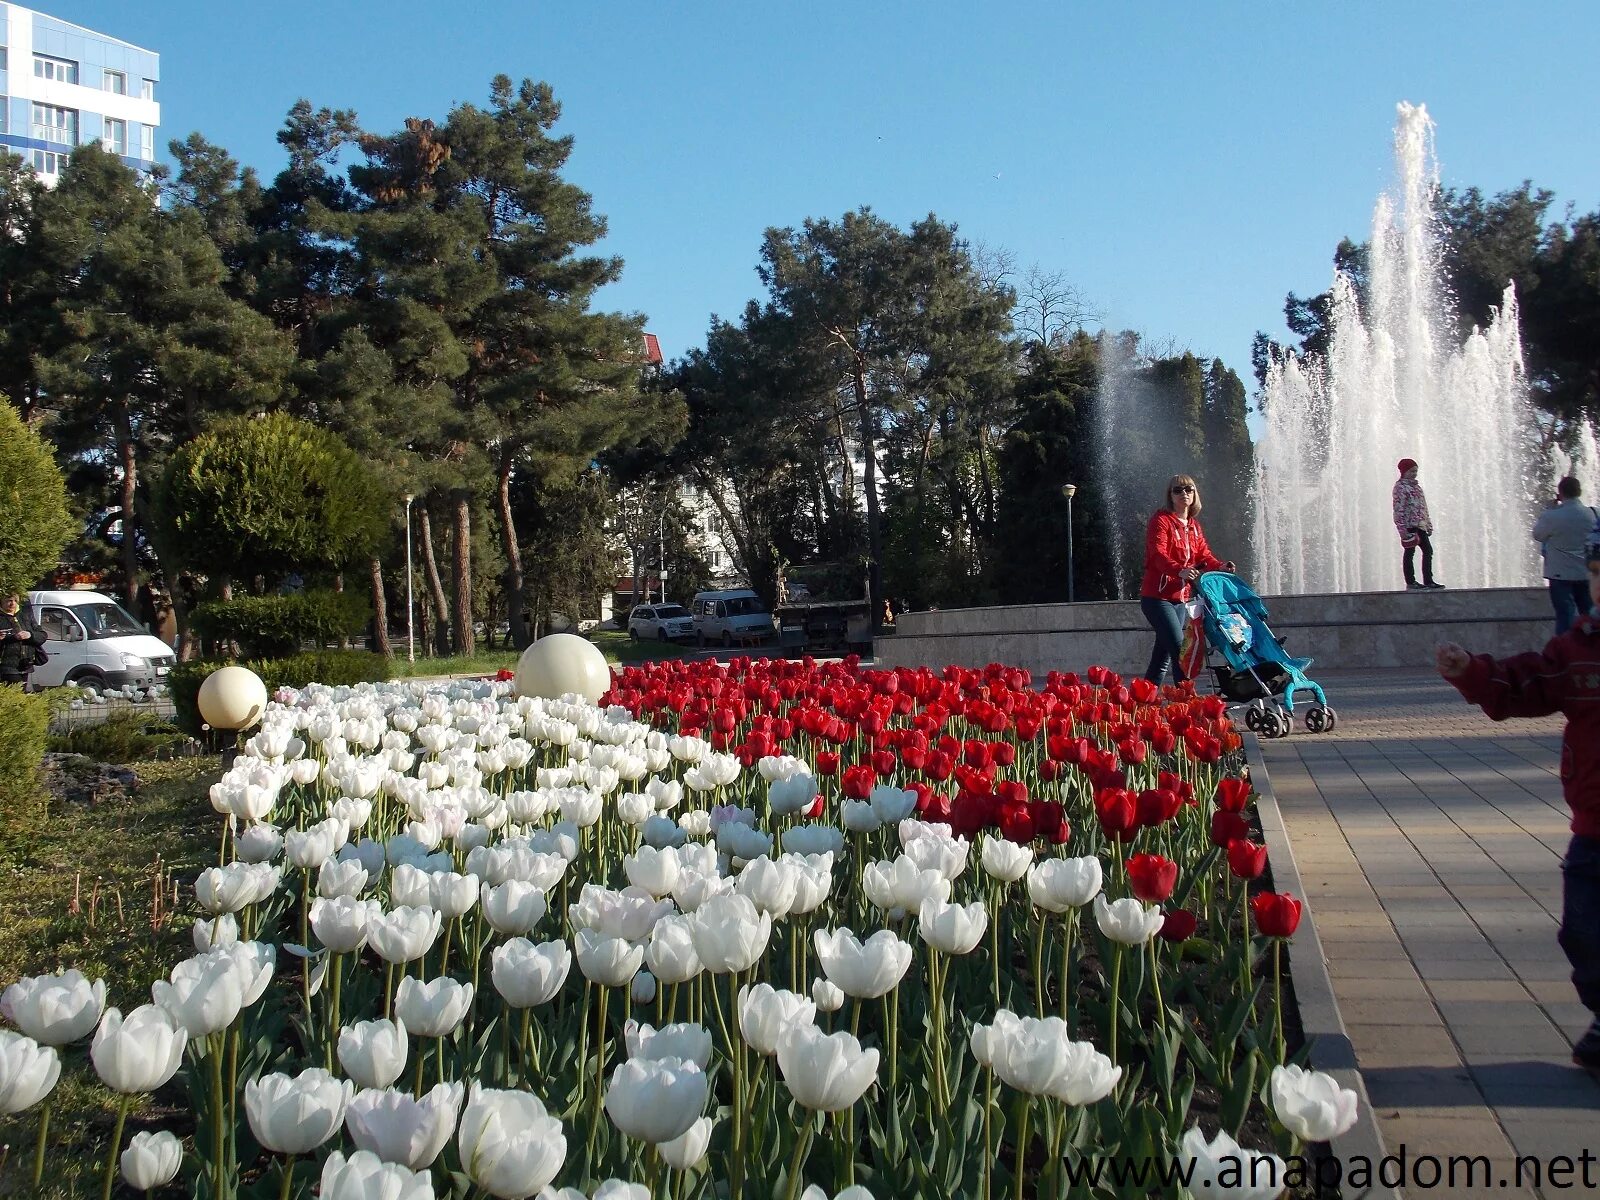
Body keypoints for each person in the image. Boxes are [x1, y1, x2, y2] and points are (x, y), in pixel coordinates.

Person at [1437, 537, 1600, 1073]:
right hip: (1594, 830)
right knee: (1582, 931)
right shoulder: (1578, 651)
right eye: (1597, 574)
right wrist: (1474, 673)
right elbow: (1528, 684)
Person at [1139, 475, 1233, 685]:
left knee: (1162, 657)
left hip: (1180, 599)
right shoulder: (1161, 520)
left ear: (1194, 494)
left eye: (1189, 489)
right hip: (1157, 597)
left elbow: (1203, 556)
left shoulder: (1193, 525)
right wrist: (1179, 570)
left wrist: (1220, 566)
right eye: (1178, 490)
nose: (1184, 494)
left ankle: (1143, 702)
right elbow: (1157, 554)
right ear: (1170, 495)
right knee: (1180, 650)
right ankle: (1186, 702)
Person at [1533, 476, 1598, 634]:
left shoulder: (1552, 516)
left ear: (1560, 494)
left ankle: (1566, 654)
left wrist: (1549, 509)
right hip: (1586, 573)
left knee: (1565, 617)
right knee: (1591, 617)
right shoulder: (1594, 514)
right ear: (1579, 492)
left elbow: (1538, 535)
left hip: (1560, 575)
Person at [1393, 458, 1444, 590]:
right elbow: (1398, 509)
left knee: (1428, 551)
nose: (1414, 473)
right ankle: (1411, 582)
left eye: (1415, 471)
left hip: (1420, 525)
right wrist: (1402, 529)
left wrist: (1428, 524)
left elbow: (1423, 507)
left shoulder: (1417, 487)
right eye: (1411, 471)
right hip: (1409, 525)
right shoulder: (1400, 487)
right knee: (1410, 552)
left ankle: (1428, 581)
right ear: (1404, 471)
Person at [0, 593, 48, 689]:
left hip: (26, 665)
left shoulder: (25, 615)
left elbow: (42, 635)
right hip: (7, 666)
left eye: (15, 601)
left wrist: (30, 635)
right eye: (9, 600)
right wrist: (11, 638)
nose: (12, 604)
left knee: (21, 695)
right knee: (15, 694)